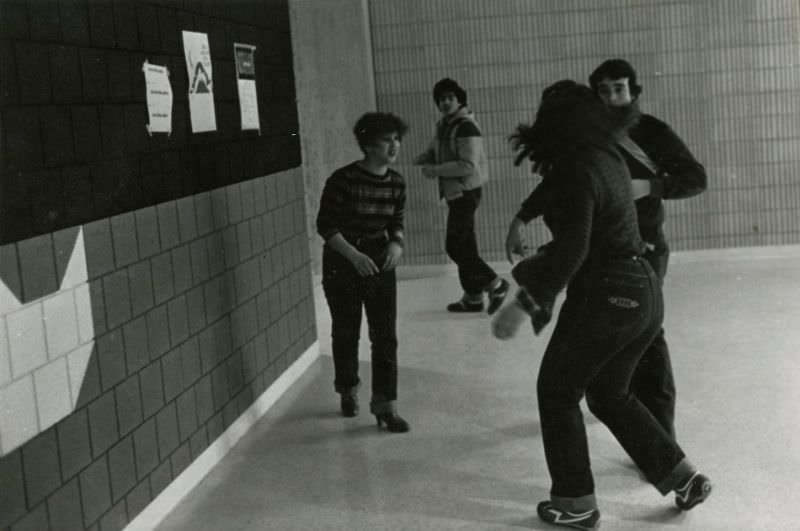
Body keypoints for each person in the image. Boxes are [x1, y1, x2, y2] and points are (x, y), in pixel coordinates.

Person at [492, 81, 711, 530]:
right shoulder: (606, 154)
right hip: (644, 291)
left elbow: (574, 247)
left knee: (557, 391)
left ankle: (576, 503)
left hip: (607, 292)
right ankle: (682, 477)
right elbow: (560, 189)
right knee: (609, 394)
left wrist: (524, 303)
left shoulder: (577, 166)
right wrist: (521, 216)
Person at [316, 112, 410, 433]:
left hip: (379, 257)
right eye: (387, 140)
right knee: (346, 331)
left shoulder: (396, 182)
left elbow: (396, 220)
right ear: (368, 145)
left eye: (397, 139)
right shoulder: (343, 180)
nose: (394, 145)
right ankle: (348, 389)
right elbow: (325, 225)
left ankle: (386, 406)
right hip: (342, 259)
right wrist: (354, 256)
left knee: (385, 335)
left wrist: (396, 244)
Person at [414, 78, 509, 314]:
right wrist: (425, 157)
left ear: (459, 100)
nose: (445, 102)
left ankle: (496, 284)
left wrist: (435, 170)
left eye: (450, 98)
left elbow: (468, 165)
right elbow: (439, 150)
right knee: (466, 245)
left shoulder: (466, 126)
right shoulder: (446, 125)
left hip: (466, 191)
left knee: (455, 246)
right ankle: (473, 297)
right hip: (456, 191)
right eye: (441, 99)